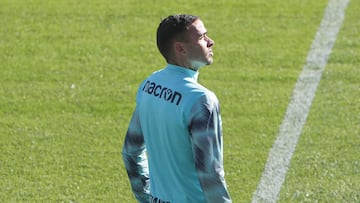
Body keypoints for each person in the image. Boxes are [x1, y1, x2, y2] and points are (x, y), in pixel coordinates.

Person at [122, 14, 232, 203]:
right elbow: (210, 173)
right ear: (180, 48)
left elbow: (131, 151)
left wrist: (146, 197)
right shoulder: (201, 100)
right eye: (201, 37)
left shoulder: (149, 85)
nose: (210, 42)